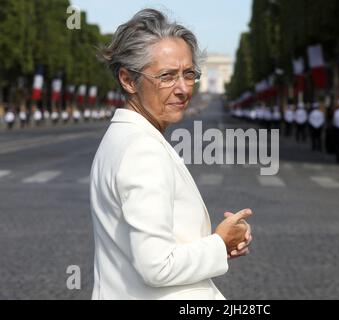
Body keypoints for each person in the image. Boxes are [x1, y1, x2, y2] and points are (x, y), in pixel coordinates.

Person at [90, 9, 253, 300]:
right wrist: (219, 243)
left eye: (189, 74)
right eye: (167, 76)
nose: (183, 89)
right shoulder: (142, 150)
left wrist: (221, 243)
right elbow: (157, 267)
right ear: (128, 79)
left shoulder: (123, 137)